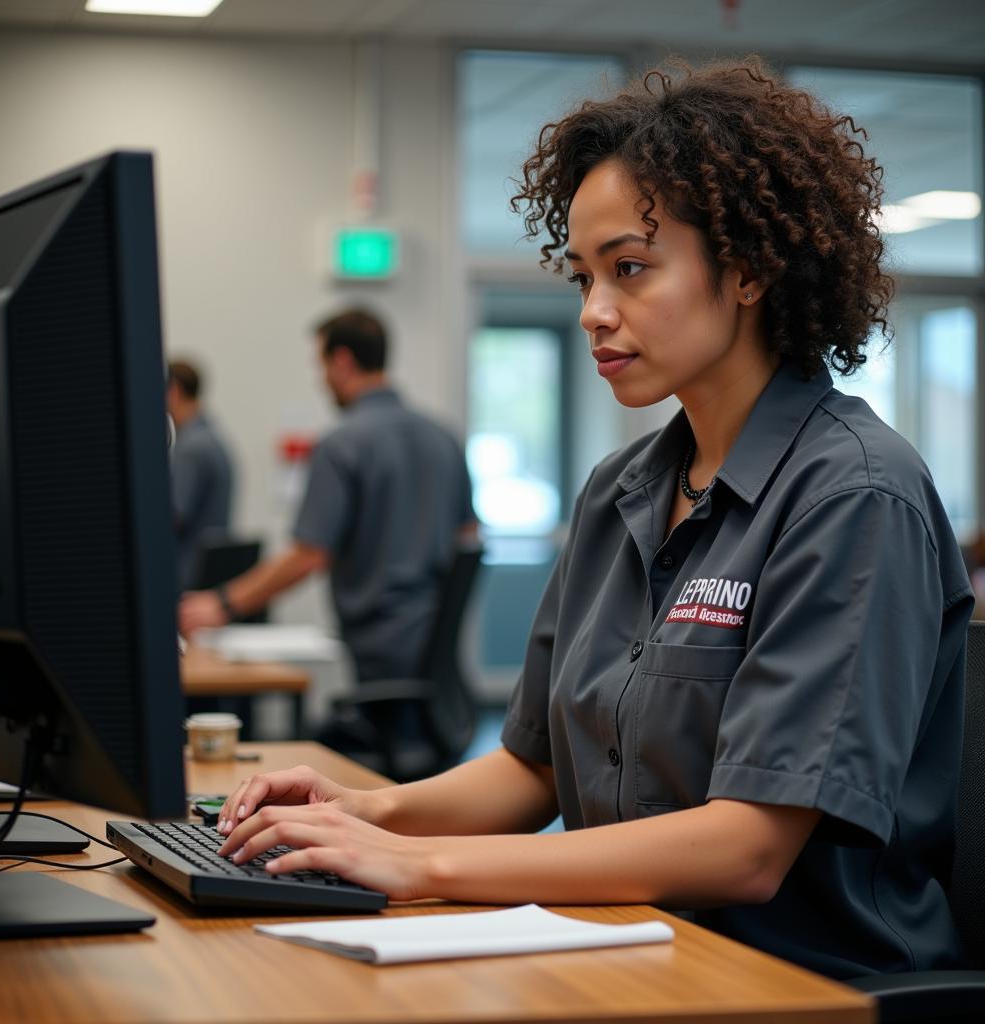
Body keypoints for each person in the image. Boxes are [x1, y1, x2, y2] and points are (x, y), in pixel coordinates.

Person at [212, 59, 973, 980]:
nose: (593, 313)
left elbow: (746, 848)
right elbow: (533, 770)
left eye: (631, 270)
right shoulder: (623, 491)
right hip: (635, 953)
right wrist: (365, 812)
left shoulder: (853, 496)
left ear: (751, 270)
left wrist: (420, 866)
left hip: (800, 982)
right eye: (582, 277)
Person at [179, 310, 477, 731]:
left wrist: (222, 603)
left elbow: (308, 556)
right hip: (437, 665)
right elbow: (469, 537)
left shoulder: (343, 443)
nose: (321, 381)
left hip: (379, 653)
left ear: (341, 361)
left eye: (320, 365)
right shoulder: (443, 436)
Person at [167, 359, 235, 591]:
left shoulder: (191, 448)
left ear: (173, 390)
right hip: (208, 574)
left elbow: (173, 517)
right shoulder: (213, 438)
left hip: (188, 579)